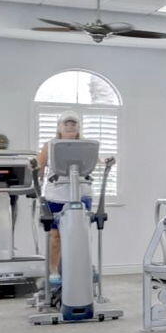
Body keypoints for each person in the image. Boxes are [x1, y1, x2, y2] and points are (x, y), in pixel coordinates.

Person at [33, 113, 114, 285]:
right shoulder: (50, 145)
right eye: (66, 124)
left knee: (81, 234)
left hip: (81, 193)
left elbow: (96, 161)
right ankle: (54, 270)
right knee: (56, 236)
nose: (70, 126)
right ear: (59, 127)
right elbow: (39, 166)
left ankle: (82, 268)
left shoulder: (86, 145)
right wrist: (35, 170)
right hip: (57, 195)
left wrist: (106, 161)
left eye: (73, 124)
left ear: (79, 127)